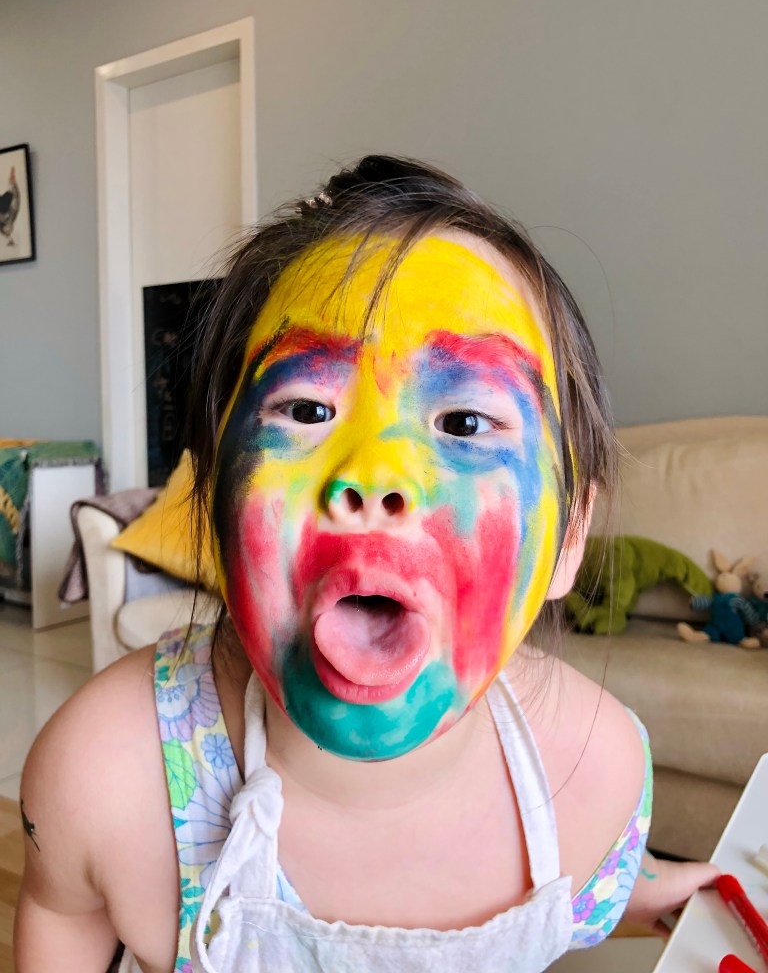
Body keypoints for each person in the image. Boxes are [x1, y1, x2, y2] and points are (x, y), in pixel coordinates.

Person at [15, 156, 717, 973]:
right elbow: (60, 917)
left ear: (569, 539)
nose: (377, 475)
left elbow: (593, 879)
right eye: (307, 408)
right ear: (214, 502)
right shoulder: (101, 776)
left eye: (463, 421)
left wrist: (635, 882)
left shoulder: (598, 770)